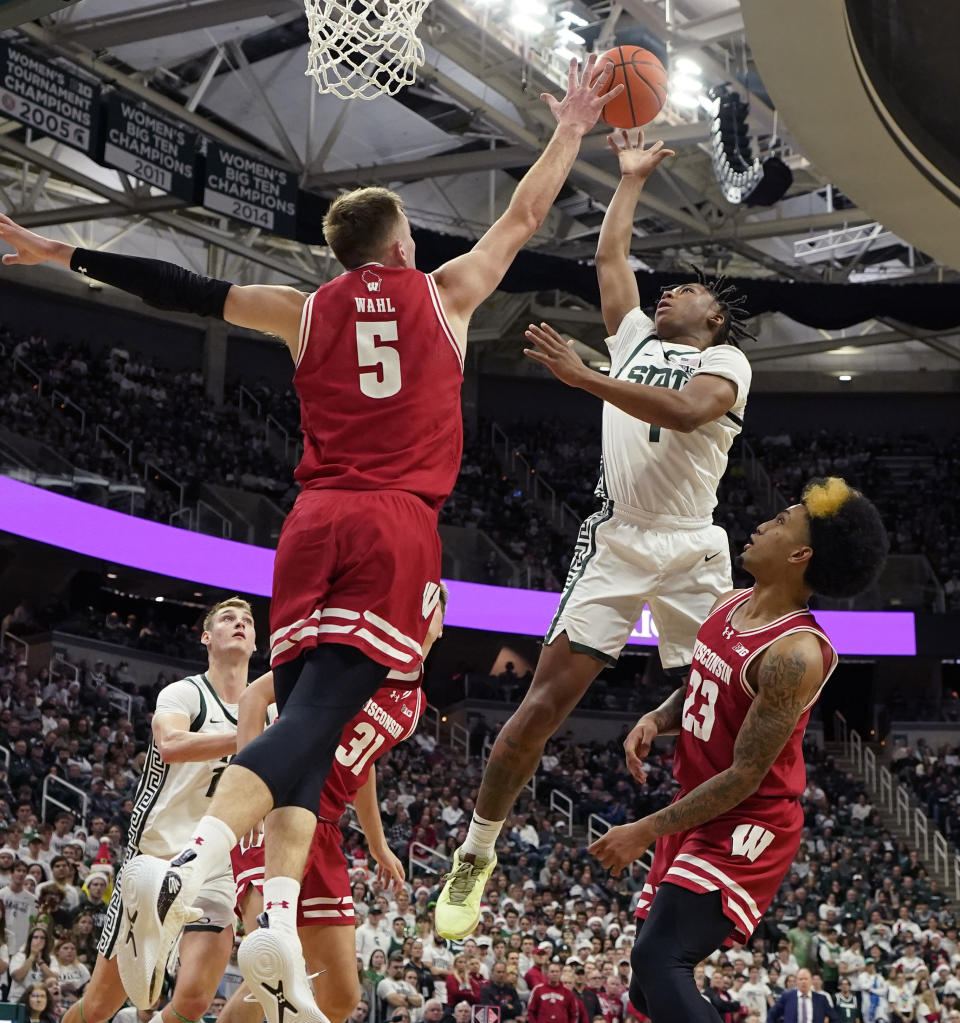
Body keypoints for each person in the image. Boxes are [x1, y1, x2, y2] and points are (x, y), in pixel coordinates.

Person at [0, 51, 621, 1023]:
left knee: (305, 721)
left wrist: (57, 253)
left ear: (344, 254)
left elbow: (180, 290)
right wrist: (573, 129)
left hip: (309, 525)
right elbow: (526, 218)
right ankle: (204, 866)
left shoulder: (303, 308)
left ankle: (259, 905)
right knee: (314, 723)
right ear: (402, 240)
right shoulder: (445, 294)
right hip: (391, 525)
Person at [436, 131, 757, 939]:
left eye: (684, 289)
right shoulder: (636, 341)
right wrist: (630, 181)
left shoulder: (728, 363)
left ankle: (698, 860)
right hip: (617, 536)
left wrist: (585, 379)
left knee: (721, 706)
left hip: (693, 542)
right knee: (542, 703)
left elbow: (686, 413)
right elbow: (612, 260)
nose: (668, 292)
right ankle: (477, 851)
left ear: (712, 316)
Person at [588, 477, 888, 1022]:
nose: (761, 524)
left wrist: (642, 829)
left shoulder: (796, 653)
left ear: (800, 554)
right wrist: (659, 717)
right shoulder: (730, 603)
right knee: (643, 989)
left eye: (780, 522)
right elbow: (706, 680)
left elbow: (746, 775)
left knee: (661, 959)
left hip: (749, 820)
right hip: (698, 805)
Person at [219, 589, 445, 1023]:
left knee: (341, 996)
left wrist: (377, 843)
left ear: (439, 624)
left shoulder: (414, 704)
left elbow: (365, 764)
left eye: (431, 603)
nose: (420, 611)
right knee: (272, 972)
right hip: (280, 808)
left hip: (328, 831)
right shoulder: (355, 653)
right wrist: (249, 789)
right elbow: (253, 698)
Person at [57, 599, 256, 1023]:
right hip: (157, 857)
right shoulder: (184, 692)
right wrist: (248, 737)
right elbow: (172, 745)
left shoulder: (268, 709)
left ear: (256, 642)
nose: (239, 623)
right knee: (99, 1008)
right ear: (207, 637)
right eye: (228, 618)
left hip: (218, 862)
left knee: (196, 1000)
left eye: (248, 621)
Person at [767, 968, 839, 1022]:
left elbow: (835, 1018)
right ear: (796, 981)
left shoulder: (821, 999)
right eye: (801, 979)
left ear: (811, 981)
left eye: (806, 979)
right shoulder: (787, 996)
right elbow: (772, 1014)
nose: (803, 982)